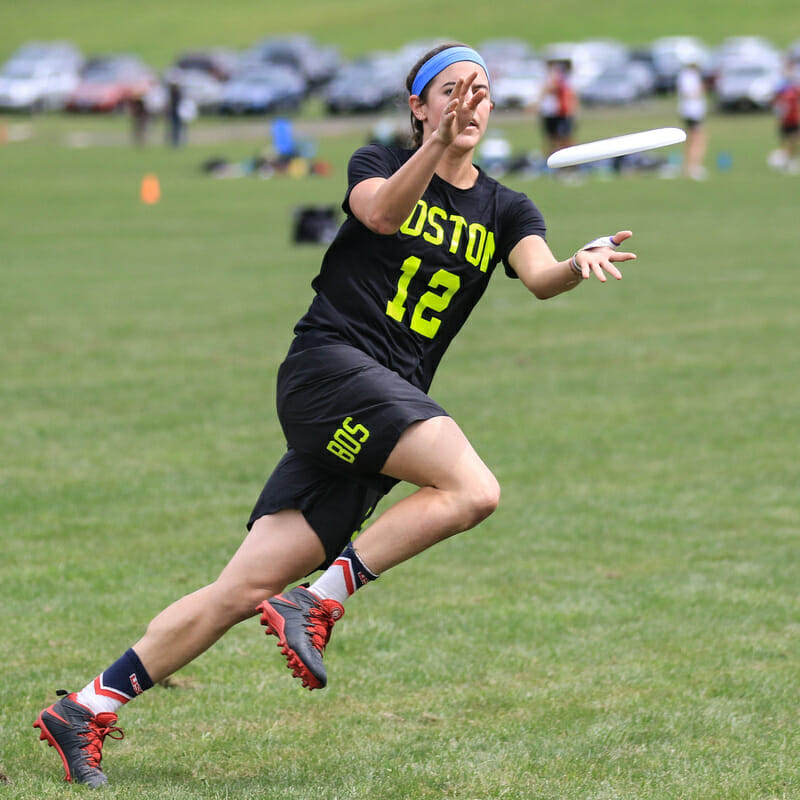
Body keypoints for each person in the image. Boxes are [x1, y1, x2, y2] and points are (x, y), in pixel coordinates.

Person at [33, 43, 636, 788]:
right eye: (452, 91)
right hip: (330, 370)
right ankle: (320, 600)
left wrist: (579, 263)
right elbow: (382, 215)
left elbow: (541, 278)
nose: (469, 103)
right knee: (474, 490)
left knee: (239, 590)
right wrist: (435, 148)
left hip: (383, 404)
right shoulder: (377, 159)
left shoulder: (507, 208)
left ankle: (85, 709)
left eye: (481, 91)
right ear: (418, 106)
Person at [538, 58, 578, 157]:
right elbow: (545, 92)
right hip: (550, 113)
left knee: (565, 138)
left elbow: (571, 95)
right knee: (551, 139)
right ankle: (551, 159)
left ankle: (568, 161)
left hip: (563, 113)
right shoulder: (547, 79)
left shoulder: (565, 80)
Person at [676, 61, 707, 180]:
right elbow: (687, 93)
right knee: (697, 139)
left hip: (693, 112)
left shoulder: (690, 75)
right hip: (691, 112)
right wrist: (700, 91)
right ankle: (692, 167)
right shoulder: (688, 75)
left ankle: (689, 166)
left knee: (693, 139)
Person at [770, 60, 800, 173]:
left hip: (794, 119)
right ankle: (785, 161)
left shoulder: (796, 88)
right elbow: (777, 104)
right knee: (786, 142)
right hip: (785, 120)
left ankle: (790, 160)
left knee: (795, 141)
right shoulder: (781, 87)